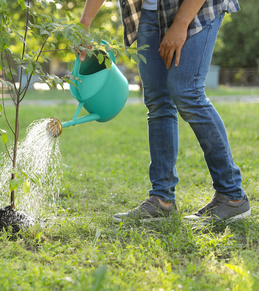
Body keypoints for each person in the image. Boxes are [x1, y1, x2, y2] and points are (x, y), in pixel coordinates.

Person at [78, 0, 250, 225]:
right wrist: (84, 23)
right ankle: (162, 199)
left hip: (195, 7)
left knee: (187, 92)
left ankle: (232, 195)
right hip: (149, 12)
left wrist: (180, 24)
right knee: (158, 102)